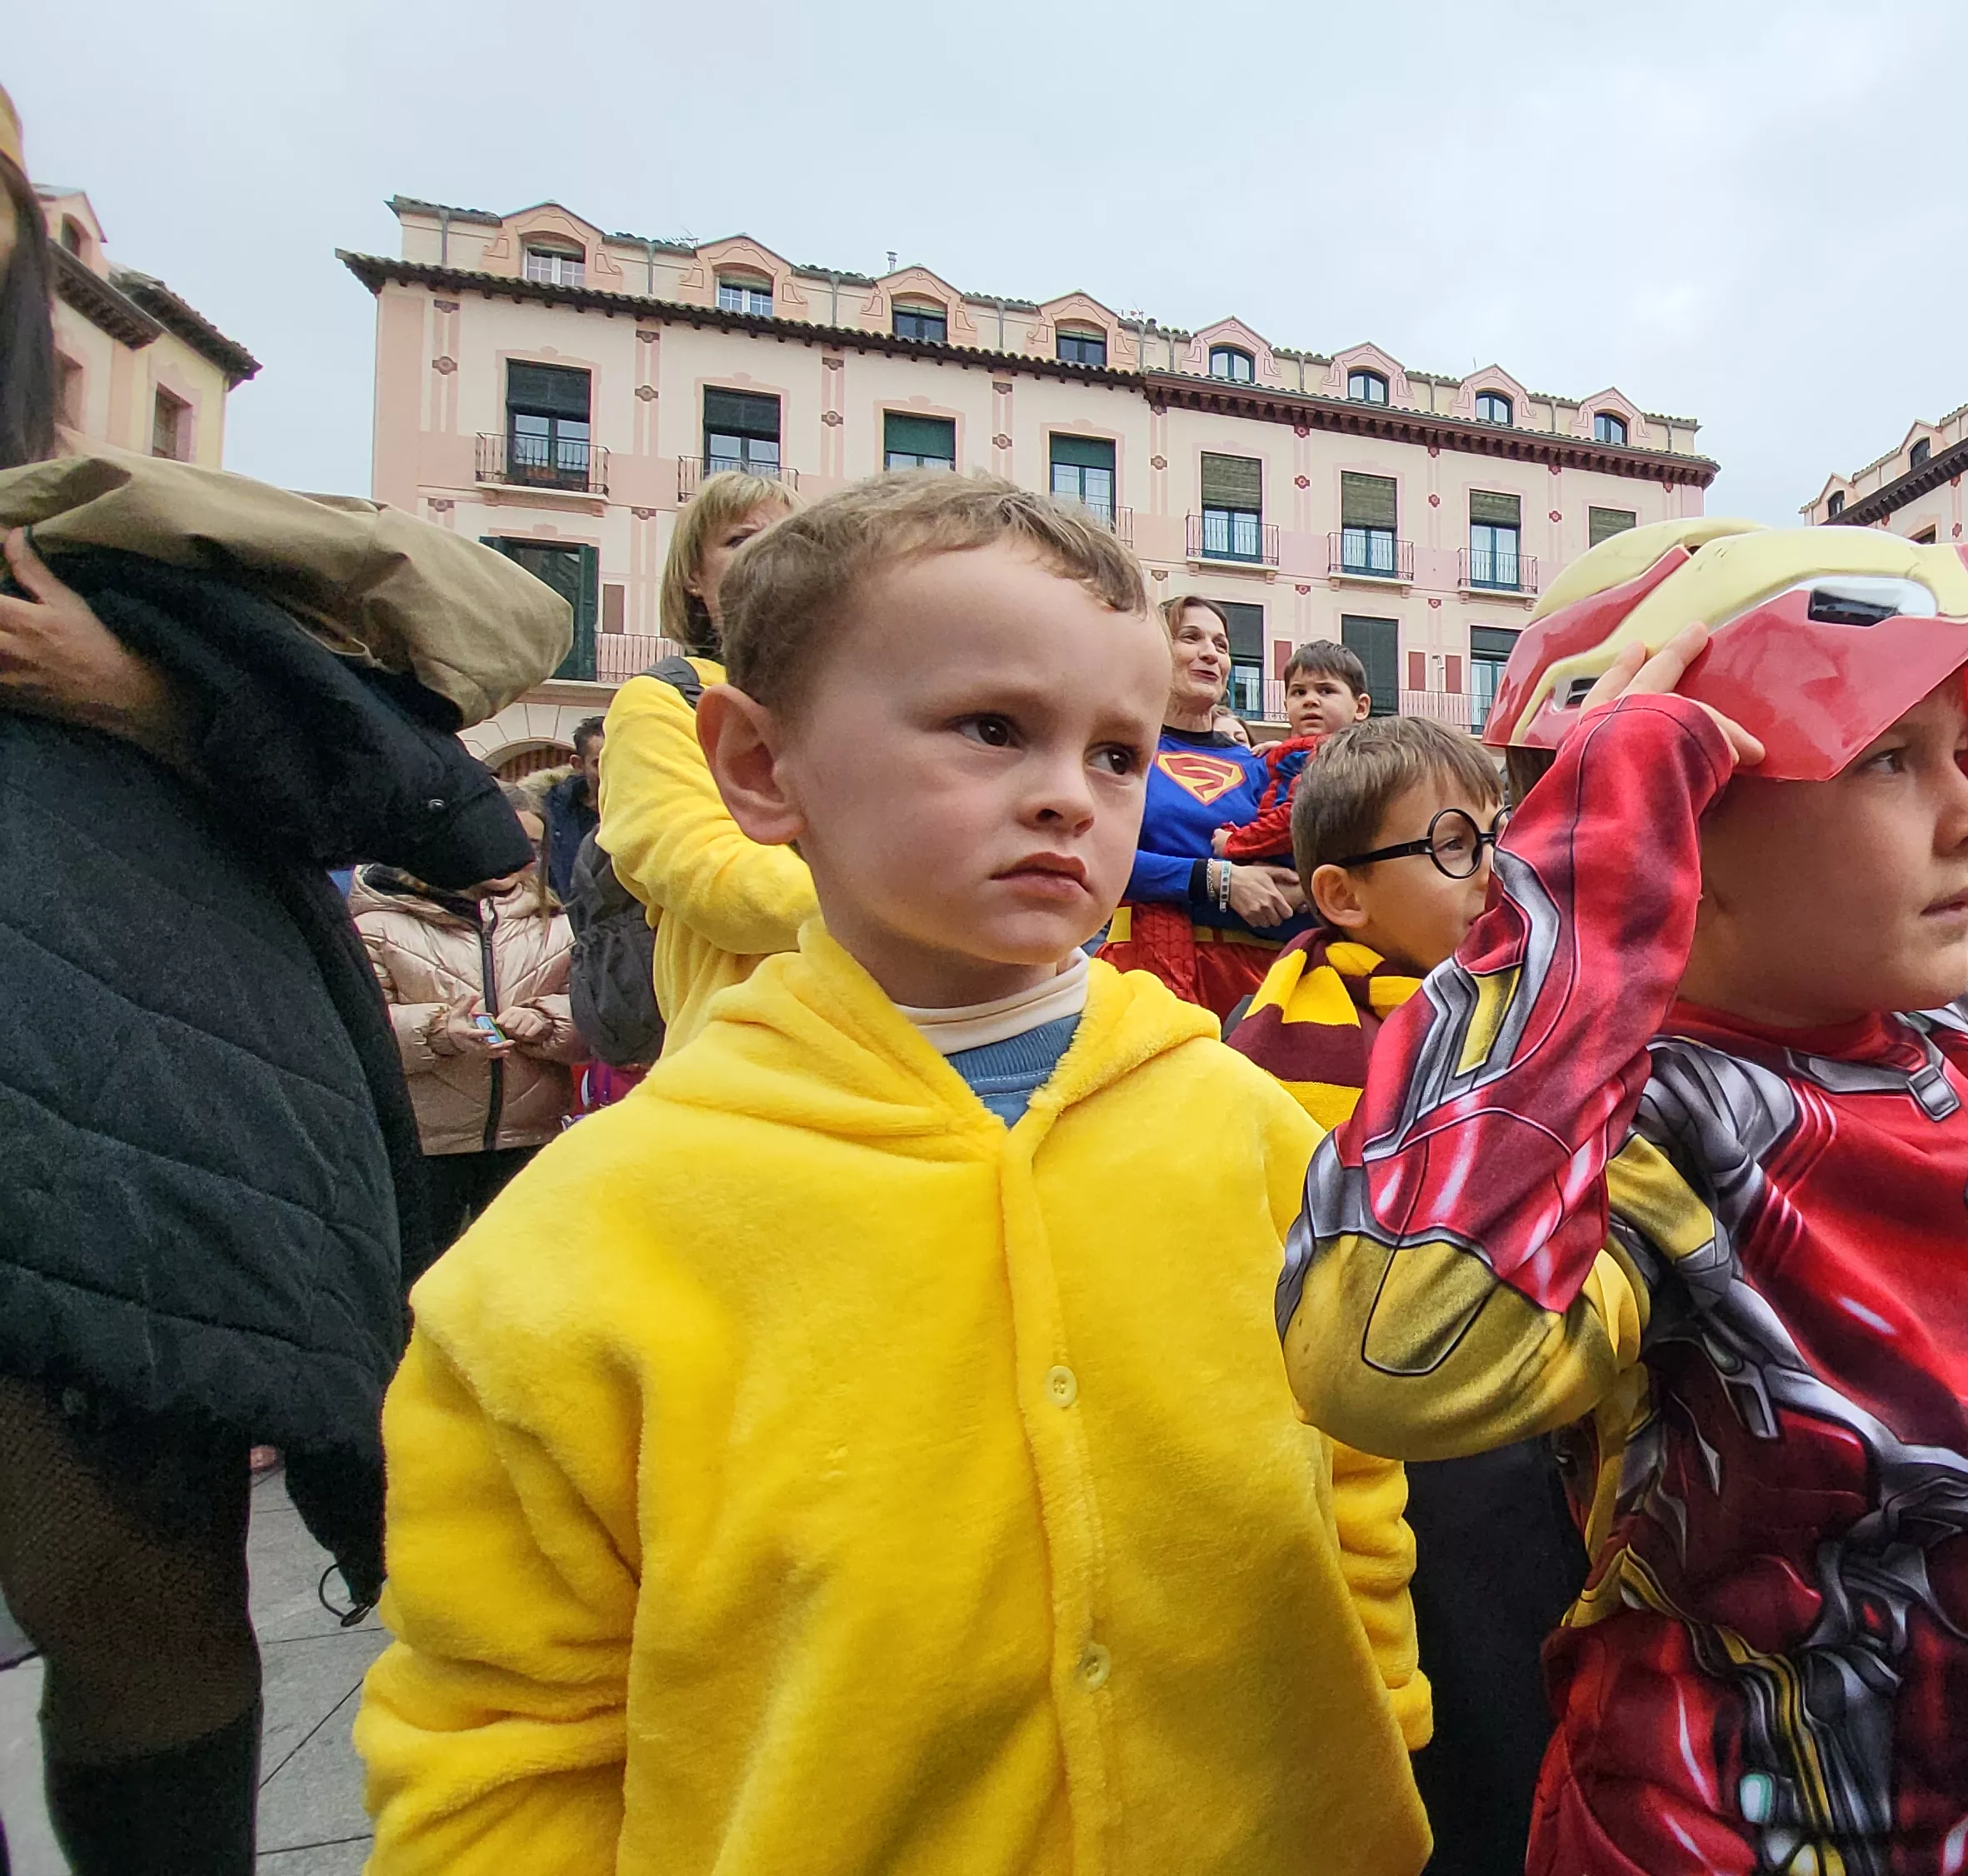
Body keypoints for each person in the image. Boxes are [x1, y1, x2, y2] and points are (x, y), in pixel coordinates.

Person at [357, 472, 1431, 1873]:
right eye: (991, 728)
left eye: (1117, 754)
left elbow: (1351, 1470)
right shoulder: (586, 1233)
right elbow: (501, 1734)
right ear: (756, 766)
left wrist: (1383, 1718)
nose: (1067, 795)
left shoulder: (1251, 1132)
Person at [1278, 519, 1968, 1874]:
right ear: (1671, 839)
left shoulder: (1958, 1041)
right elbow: (1386, 1358)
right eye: (1892, 759)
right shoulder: (1657, 1125)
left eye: (1967, 757)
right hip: (1704, 1829)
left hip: (1967, 1820)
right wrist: (1572, 907)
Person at [0, 85, 555, 1874]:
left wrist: (145, 692)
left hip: (125, 1135)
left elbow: (461, 820)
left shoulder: (96, 540)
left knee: (138, 1601)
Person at [1223, 714, 1589, 1876]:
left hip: (1535, 1424)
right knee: (1465, 1702)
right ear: (1339, 894)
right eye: (1451, 843)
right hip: (1403, 1454)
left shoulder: (1520, 1000)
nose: (1495, 867)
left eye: (1499, 832)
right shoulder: (1285, 1047)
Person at [593, 469, 804, 1056]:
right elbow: (708, 877)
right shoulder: (660, 701)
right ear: (692, 577)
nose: (771, 551)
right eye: (740, 540)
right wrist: (913, 913)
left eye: (793, 536)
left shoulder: (853, 696)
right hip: (750, 1056)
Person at [351, 808, 584, 1263]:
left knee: (521, 1277)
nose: (515, 856)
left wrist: (547, 1020)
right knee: (419, 1279)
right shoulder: (379, 926)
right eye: (501, 838)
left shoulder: (556, 925)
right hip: (425, 1145)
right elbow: (361, 1031)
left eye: (532, 846)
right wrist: (437, 1031)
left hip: (529, 1140)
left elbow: (593, 1020)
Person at [1111, 595, 1306, 1008]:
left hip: (1260, 984)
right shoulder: (1121, 753)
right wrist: (1221, 881)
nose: (1209, 654)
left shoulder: (1263, 766)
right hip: (1146, 982)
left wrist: (1301, 891)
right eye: (1191, 637)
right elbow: (1099, 859)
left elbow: (1294, 863)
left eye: (1221, 645)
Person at [1219, 638, 1374, 865]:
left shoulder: (1340, 760)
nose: (1310, 700)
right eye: (1299, 692)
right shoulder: (1301, 753)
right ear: (1286, 705)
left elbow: (1296, 820)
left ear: (1360, 707)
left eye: (1326, 690)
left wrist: (1236, 842)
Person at [539, 715, 603, 900]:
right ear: (578, 765)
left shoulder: (646, 815)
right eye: (598, 763)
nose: (610, 771)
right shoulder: (547, 812)